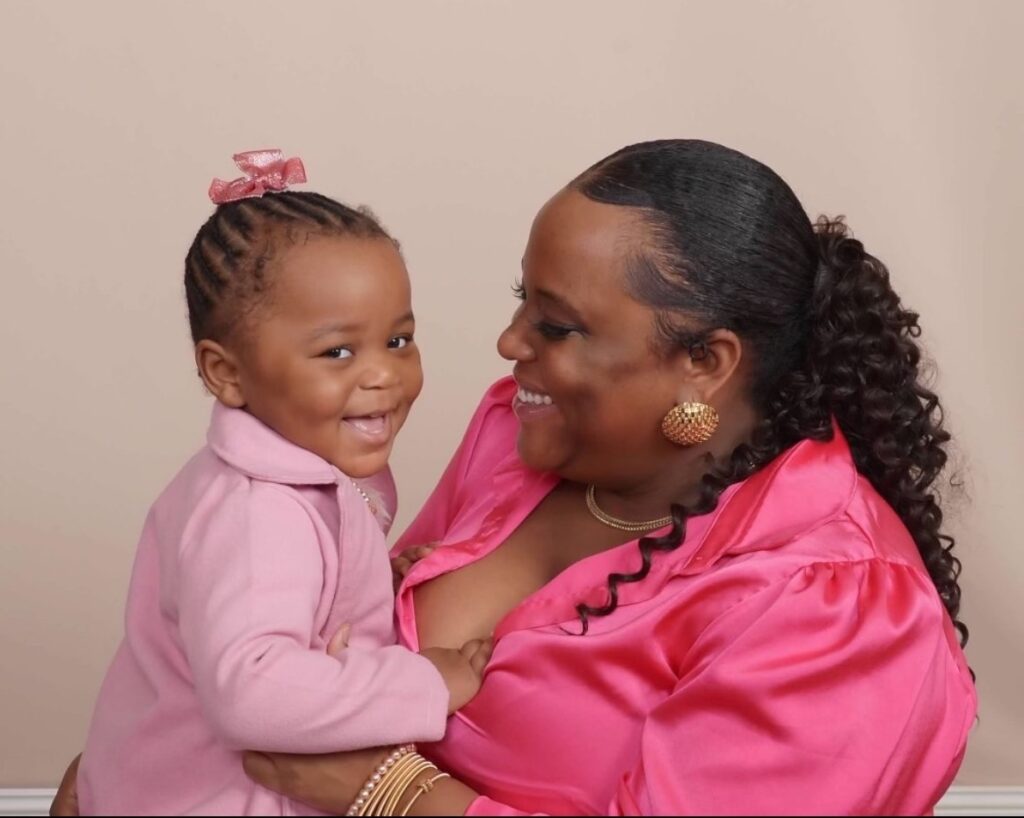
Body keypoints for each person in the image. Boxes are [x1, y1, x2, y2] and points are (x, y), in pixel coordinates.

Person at [54, 139, 977, 816]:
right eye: (519, 303)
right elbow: (305, 616)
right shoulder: (522, 436)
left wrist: (387, 793)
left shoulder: (833, 608)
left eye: (559, 325)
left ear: (706, 363)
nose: (509, 346)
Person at [73, 150, 490, 815]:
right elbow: (254, 693)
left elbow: (285, 600)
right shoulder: (258, 511)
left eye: (400, 340)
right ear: (227, 374)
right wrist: (422, 683)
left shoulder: (301, 467)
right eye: (338, 352)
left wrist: (370, 587)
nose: (383, 373)